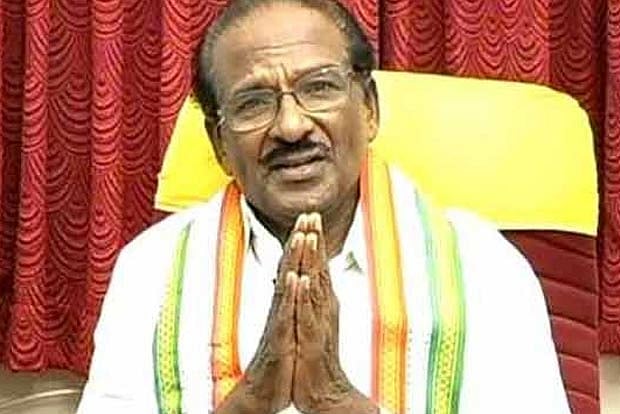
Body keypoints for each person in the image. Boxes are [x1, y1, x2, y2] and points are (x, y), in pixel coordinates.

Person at [77, 0, 571, 413]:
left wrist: (334, 400)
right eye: (253, 103)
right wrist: (252, 401)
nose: (291, 126)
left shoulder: (481, 265)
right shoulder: (154, 270)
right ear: (219, 143)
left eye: (319, 88)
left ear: (369, 108)